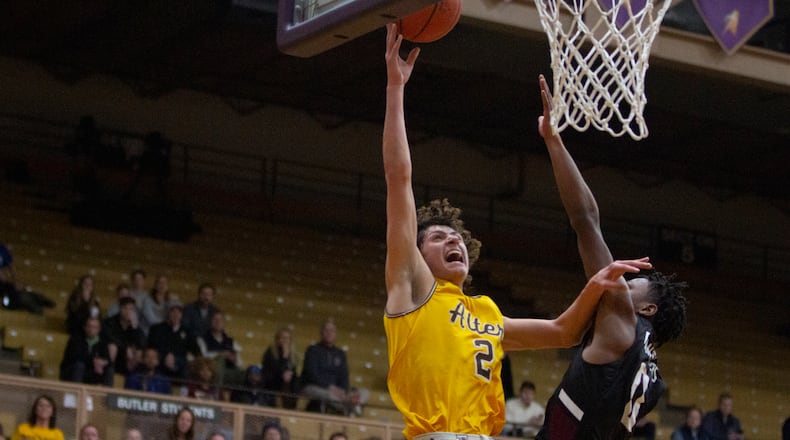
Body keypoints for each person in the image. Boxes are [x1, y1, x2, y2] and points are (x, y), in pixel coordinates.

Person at [382, 23, 652, 440]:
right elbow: (399, 177)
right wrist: (396, 88)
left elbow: (564, 331)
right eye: (437, 237)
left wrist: (597, 284)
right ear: (416, 256)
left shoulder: (487, 314)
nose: (452, 239)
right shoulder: (414, 288)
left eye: (455, 237)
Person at [534, 73, 689, 439]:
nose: (621, 282)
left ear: (647, 309)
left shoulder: (621, 317)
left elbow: (585, 220)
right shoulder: (653, 381)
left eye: (631, 283)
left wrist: (553, 140)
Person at [301, 319, 368, 415]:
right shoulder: (312, 350)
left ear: (335, 334)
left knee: (365, 392)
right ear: (321, 333)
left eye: (332, 331)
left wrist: (344, 391)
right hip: (317, 387)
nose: (329, 333)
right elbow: (311, 375)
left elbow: (344, 376)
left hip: (338, 392)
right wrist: (331, 388)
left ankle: (349, 402)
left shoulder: (340, 354)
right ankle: (351, 407)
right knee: (329, 395)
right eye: (326, 330)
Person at [148, 302, 200, 379]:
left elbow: (196, 350)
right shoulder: (157, 329)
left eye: (178, 312)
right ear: (168, 313)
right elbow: (151, 346)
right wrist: (168, 355)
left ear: (182, 315)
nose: (176, 314)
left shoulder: (187, 332)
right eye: (173, 311)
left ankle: (182, 389)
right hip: (161, 359)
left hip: (180, 361)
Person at [0, 244, 56, 315]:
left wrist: (15, 280)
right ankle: (36, 299)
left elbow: (11, 267)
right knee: (12, 300)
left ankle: (36, 299)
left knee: (18, 292)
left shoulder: (1, 249)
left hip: (5, 284)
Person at [59, 316, 114, 386]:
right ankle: (76, 392)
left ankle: (108, 395)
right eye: (89, 326)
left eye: (94, 327)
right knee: (80, 365)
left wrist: (103, 362)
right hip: (73, 371)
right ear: (84, 327)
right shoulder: (76, 339)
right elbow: (76, 358)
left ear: (99, 329)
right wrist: (94, 361)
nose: (91, 330)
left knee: (109, 370)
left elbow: (108, 361)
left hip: (92, 372)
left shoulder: (102, 342)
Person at [102, 296, 146, 375]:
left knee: (139, 353)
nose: (128, 311)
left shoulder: (134, 325)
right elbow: (110, 339)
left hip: (127, 358)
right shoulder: (109, 322)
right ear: (120, 308)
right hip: (112, 354)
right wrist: (125, 348)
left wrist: (135, 328)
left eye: (131, 309)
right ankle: (109, 374)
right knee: (112, 347)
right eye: (125, 308)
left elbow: (141, 344)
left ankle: (131, 377)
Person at [197, 312, 243, 384]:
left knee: (245, 374)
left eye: (220, 320)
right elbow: (204, 356)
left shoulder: (231, 341)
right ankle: (217, 393)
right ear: (210, 322)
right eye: (215, 320)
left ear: (223, 323)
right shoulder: (203, 339)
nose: (218, 322)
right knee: (220, 361)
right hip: (211, 371)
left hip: (228, 371)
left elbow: (240, 363)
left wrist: (235, 359)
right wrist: (221, 354)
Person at [262, 326, 300, 409]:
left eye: (287, 338)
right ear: (277, 339)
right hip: (272, 380)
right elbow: (276, 370)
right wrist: (284, 357)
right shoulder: (271, 352)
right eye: (282, 338)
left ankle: (291, 407)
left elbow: (292, 371)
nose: (284, 341)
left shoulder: (293, 355)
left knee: (295, 382)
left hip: (286, 384)